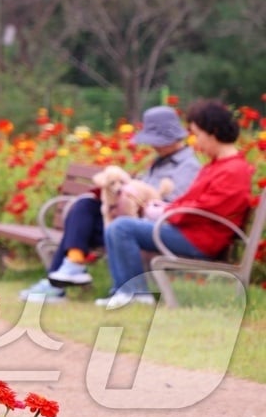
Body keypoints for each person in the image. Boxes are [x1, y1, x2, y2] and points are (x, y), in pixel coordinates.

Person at [20, 105, 200, 300]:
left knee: (94, 224)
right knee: (85, 206)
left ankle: (59, 282)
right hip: (127, 220)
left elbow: (170, 206)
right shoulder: (159, 162)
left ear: (172, 138)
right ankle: (71, 265)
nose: (153, 145)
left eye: (157, 141)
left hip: (149, 229)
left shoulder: (188, 167)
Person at [96, 99, 254, 309]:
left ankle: (135, 294)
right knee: (117, 226)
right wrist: (166, 209)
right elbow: (192, 200)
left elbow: (205, 208)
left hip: (200, 239)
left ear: (213, 131)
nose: (196, 142)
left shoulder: (233, 170)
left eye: (197, 135)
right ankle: (124, 291)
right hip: (190, 231)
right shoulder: (218, 165)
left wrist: (168, 213)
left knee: (121, 227)